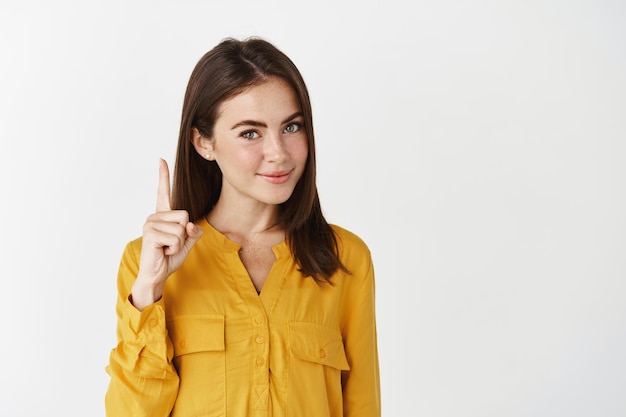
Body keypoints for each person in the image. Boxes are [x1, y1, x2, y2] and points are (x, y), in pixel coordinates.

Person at [104, 37, 380, 417]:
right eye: (250, 132)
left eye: (292, 127)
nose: (279, 153)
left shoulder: (344, 259)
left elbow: (364, 405)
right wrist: (149, 289)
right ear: (203, 142)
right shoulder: (146, 263)